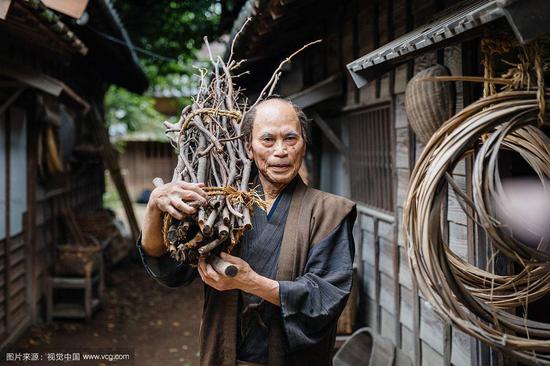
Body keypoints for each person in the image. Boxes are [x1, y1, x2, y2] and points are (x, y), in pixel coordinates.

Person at [137, 97, 357, 366]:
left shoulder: (329, 212)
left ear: (304, 144)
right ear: (248, 148)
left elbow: (325, 297)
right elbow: (170, 270)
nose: (281, 151)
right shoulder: (221, 207)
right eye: (267, 140)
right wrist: (153, 207)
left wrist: (251, 282)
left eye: (291, 139)